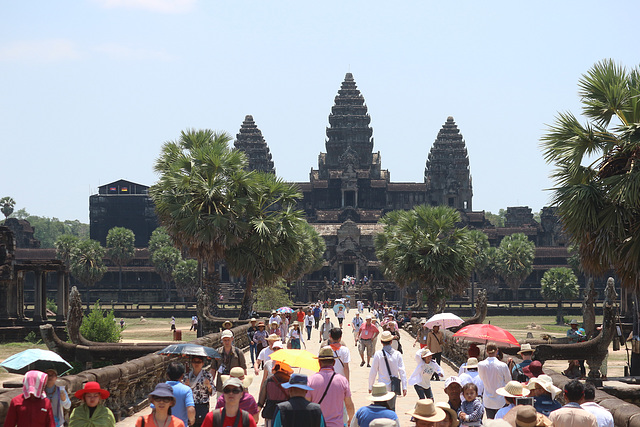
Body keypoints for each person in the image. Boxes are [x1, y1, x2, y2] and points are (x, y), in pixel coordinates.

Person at [308, 346, 355, 427]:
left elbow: (307, 405)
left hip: (317, 423)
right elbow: (349, 405)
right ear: (333, 362)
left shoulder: (311, 380)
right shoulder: (342, 381)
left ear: (319, 362)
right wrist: (350, 420)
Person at [368, 331, 408, 411]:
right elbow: (402, 371)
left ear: (381, 342)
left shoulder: (378, 354)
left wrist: (370, 386)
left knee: (381, 409)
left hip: (381, 387)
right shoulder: (397, 354)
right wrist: (404, 386)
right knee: (392, 409)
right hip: (393, 387)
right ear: (391, 341)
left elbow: (373, 371)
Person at [478, 342, 512, 419]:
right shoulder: (502, 365)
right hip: (501, 400)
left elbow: (481, 378)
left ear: (487, 351)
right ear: (497, 351)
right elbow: (508, 381)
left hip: (488, 400)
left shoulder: (480, 365)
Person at [211, 329, 247, 397]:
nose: (227, 342)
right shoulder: (217, 353)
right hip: (221, 386)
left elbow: (244, 370)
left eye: (228, 340)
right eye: (225, 340)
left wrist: (245, 386)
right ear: (222, 340)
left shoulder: (238, 353)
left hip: (236, 385)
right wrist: (211, 383)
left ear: (232, 339)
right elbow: (213, 369)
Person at [258, 362, 292, 427]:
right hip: (285, 413)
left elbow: (261, 402)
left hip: (270, 413)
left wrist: (257, 414)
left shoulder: (268, 381)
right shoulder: (289, 382)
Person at [184, 356, 214, 427]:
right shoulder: (187, 376)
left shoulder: (207, 375)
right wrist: (186, 386)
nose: (196, 364)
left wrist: (209, 386)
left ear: (202, 363)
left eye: (198, 362)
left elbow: (213, 392)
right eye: (194, 361)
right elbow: (184, 392)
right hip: (190, 405)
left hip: (202, 405)